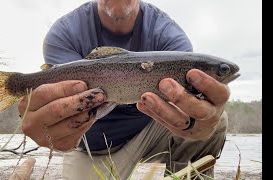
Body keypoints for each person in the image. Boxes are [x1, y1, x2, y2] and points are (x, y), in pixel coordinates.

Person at [18, 0, 229, 179]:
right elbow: (58, 103)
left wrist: (198, 121)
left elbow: (190, 106)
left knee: (216, 119)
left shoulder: (169, 37)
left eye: (222, 71)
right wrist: (52, 126)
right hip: (90, 142)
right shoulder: (65, 33)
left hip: (152, 129)